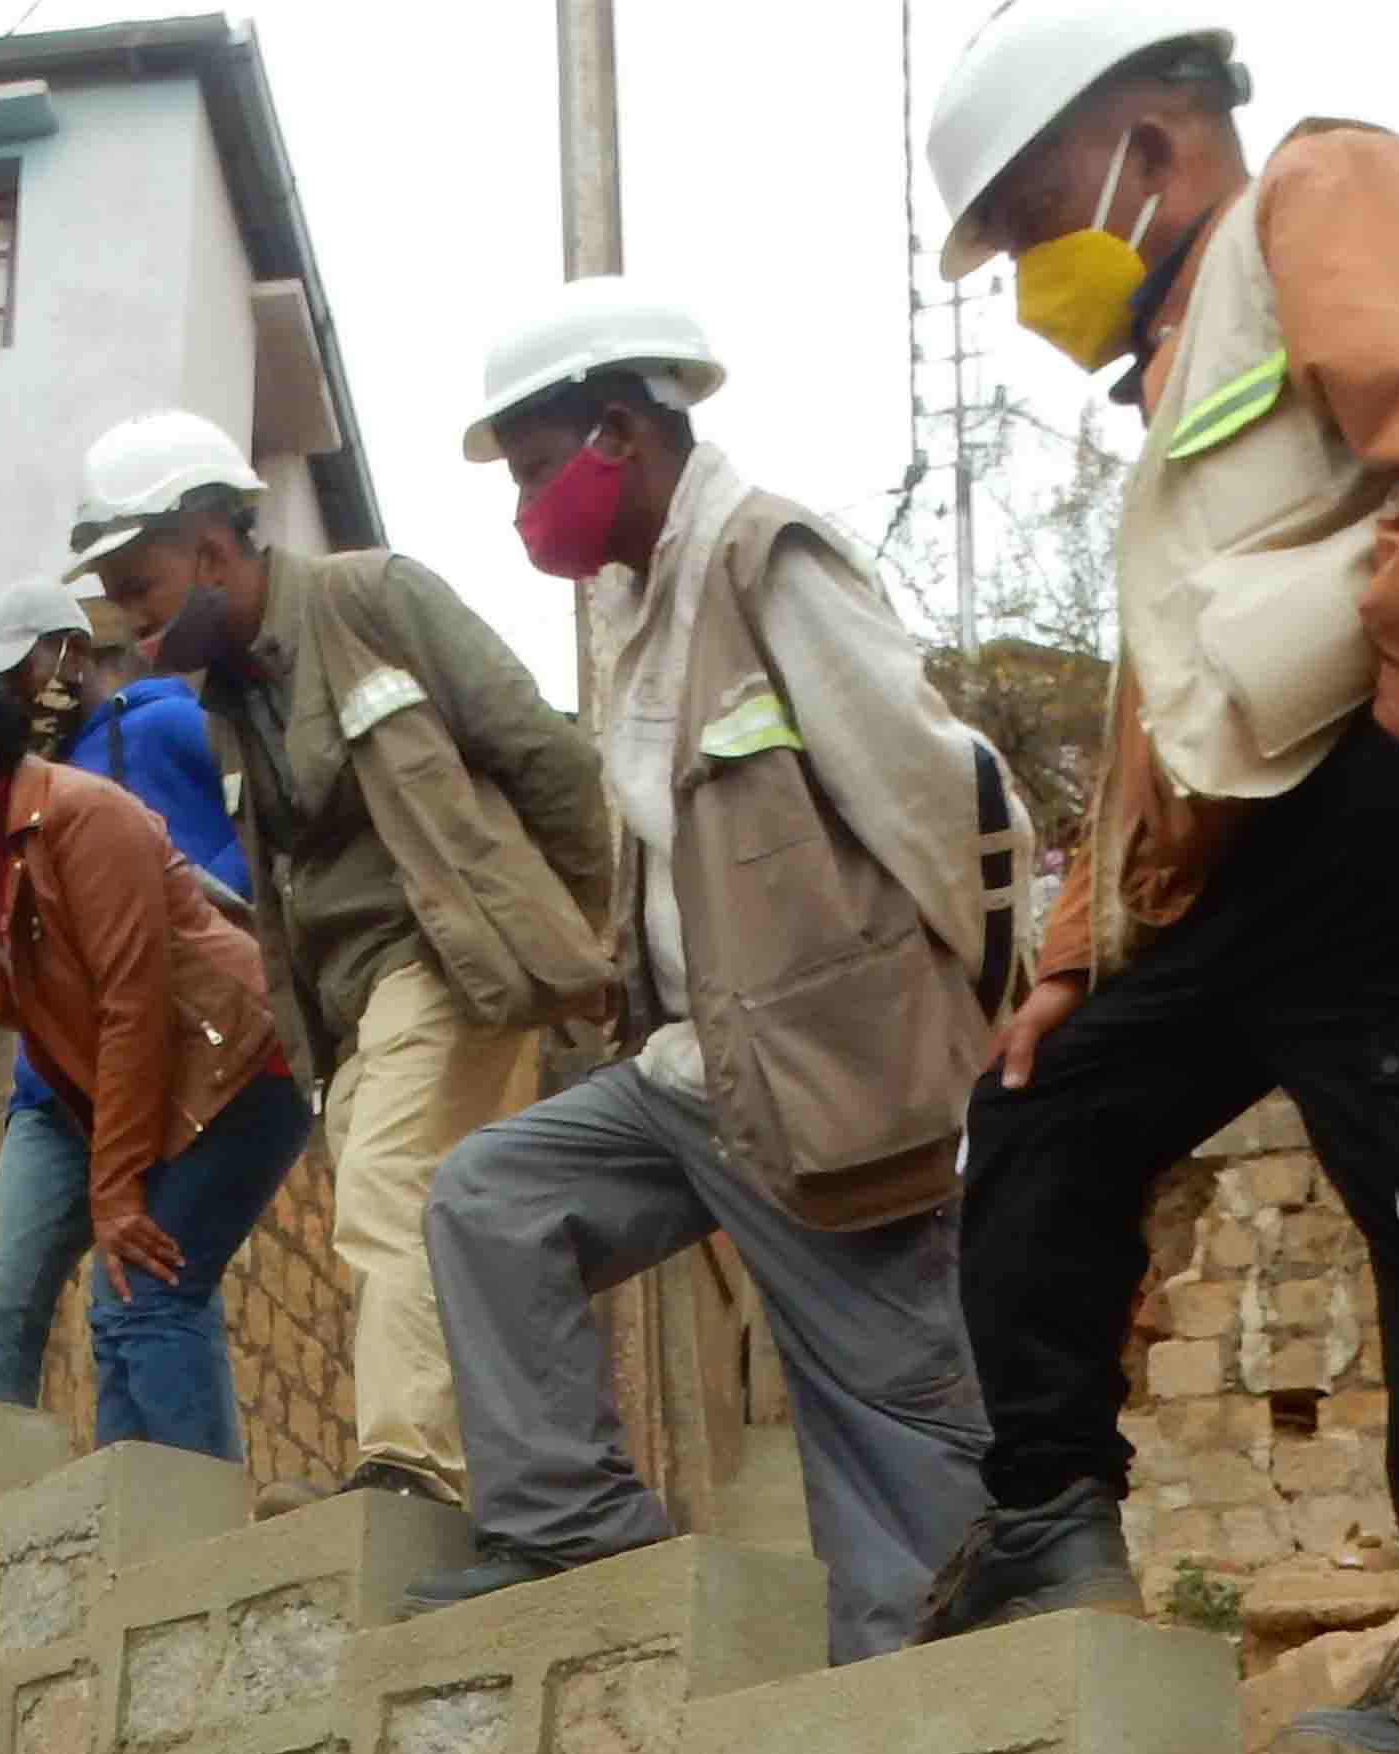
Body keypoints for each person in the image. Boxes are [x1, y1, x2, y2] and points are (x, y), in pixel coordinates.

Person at [915, 4, 1399, 1754]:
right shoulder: (1173, 393)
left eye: (1039, 219)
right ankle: (1045, 1516)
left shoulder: (1325, 196)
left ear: (1154, 140)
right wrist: (1069, 959)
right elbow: (1164, 728)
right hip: (1299, 796)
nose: (1037, 269)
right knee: (1047, 1105)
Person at [411, 281, 1007, 1656]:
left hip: (827, 1067)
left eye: (533, 471)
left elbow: (941, 795)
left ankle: (937, 1688)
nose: (524, 513)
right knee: (493, 1198)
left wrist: (946, 1037)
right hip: (693, 1074)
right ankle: (571, 1527)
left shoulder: (763, 557)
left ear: (618, 427)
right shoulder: (641, 605)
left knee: (886, 1420)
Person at [63, 408, 613, 1510]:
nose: (133, 626)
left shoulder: (376, 599)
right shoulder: (226, 702)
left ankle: (409, 1470)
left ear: (212, 548)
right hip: (348, 1006)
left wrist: (587, 940)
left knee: (385, 1190)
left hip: (445, 958)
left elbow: (548, 760)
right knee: (444, 1214)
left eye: (140, 589)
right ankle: (521, 1472)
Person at [0, 656, 309, 1459]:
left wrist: (116, 1189)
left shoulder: (83, 816)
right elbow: (93, 1006)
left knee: (144, 1293)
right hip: (191, 1076)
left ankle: (191, 1529)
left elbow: (135, 1001)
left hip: (244, 1072)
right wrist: (5, 1000)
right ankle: (136, 1517)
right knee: (125, 1295)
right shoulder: (5, 848)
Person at [0, 574, 253, 1420]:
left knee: (144, 1296)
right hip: (51, 1088)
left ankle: (165, 1506)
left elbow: (266, 833)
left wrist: (186, 895)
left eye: (21, 672)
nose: (11, 697)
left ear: (73, 656)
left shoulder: (166, 727)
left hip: (163, 1063)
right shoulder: (9, 787)